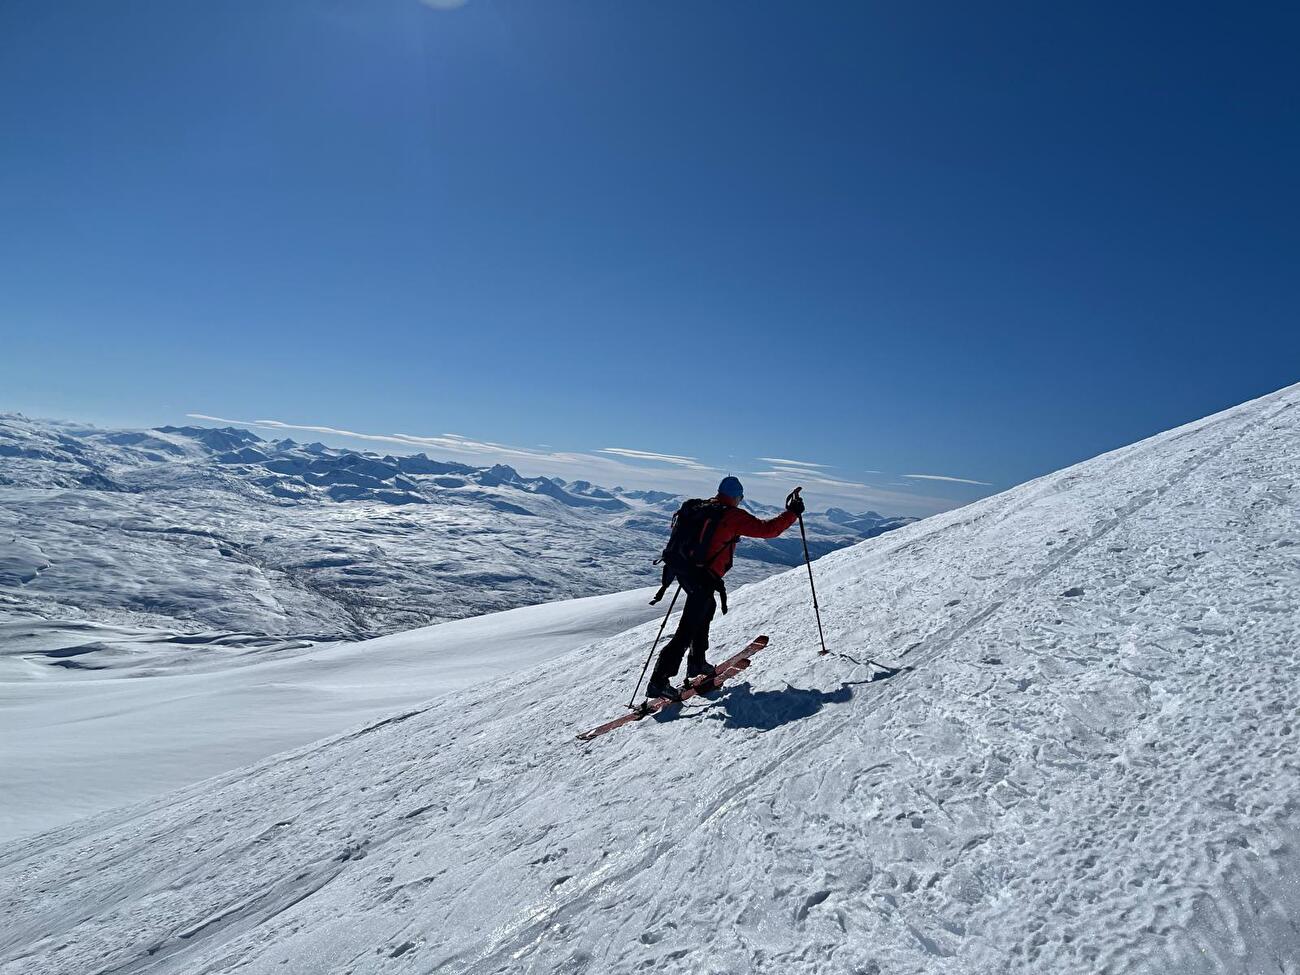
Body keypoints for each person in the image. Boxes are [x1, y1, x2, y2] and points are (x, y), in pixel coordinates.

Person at [645, 475, 805, 700]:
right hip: (702, 576)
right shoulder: (732, 516)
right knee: (687, 628)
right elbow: (768, 530)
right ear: (738, 497)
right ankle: (658, 681)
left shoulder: (703, 507)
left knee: (705, 609)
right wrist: (792, 513)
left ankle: (697, 662)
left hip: (686, 572)